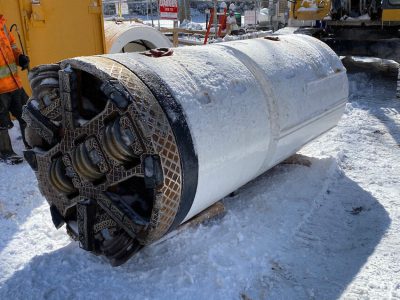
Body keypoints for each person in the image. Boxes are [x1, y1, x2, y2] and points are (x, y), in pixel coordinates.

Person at [0, 14, 30, 164]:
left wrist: (20, 58)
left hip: (15, 84)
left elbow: (12, 47)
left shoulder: (3, 25)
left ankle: (32, 146)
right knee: (1, 123)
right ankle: (5, 153)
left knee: (28, 114)